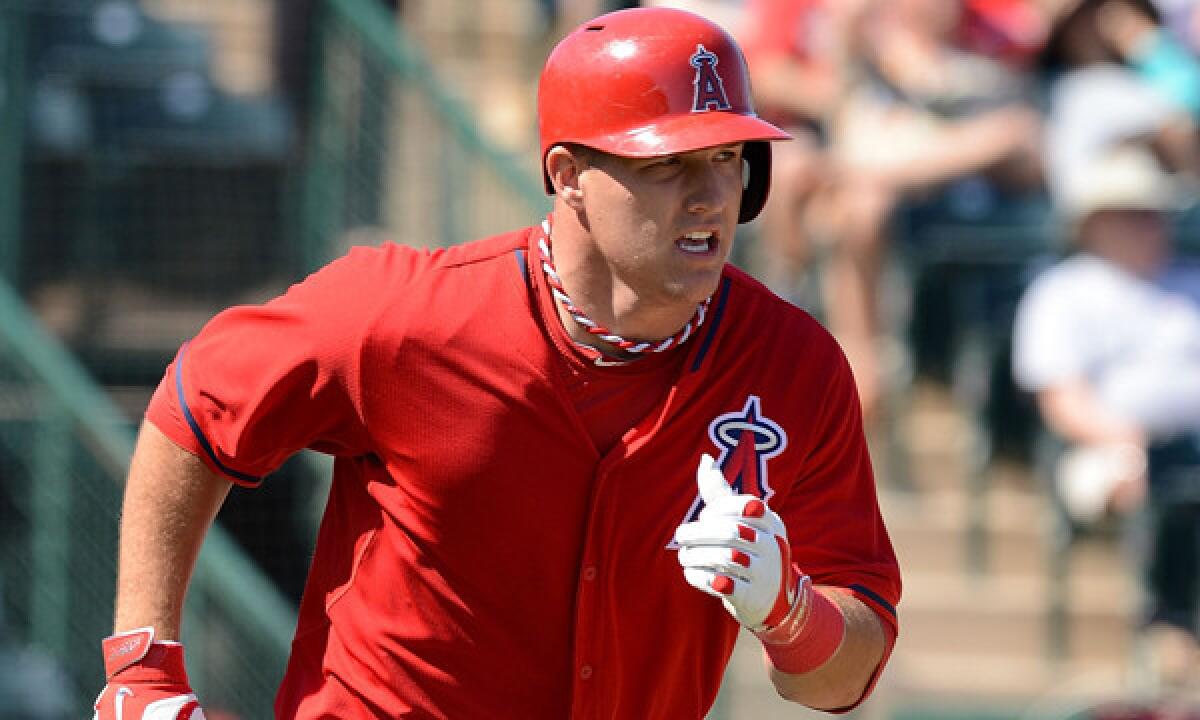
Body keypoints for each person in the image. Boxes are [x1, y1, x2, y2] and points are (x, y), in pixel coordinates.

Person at [92, 8, 901, 719]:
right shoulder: (404, 314)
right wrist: (142, 663)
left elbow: (845, 676)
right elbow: (192, 411)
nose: (709, 195)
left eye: (727, 158)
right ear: (568, 175)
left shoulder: (797, 367)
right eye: (666, 164)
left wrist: (790, 610)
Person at [1012, 145, 1200, 693]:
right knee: (1140, 475)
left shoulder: (1189, 281)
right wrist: (1129, 438)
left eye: (1154, 212)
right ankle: (1164, 624)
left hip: (1190, 444)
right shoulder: (1064, 290)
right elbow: (1061, 398)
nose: (1151, 225)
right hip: (1103, 445)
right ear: (1095, 223)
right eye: (1135, 213)